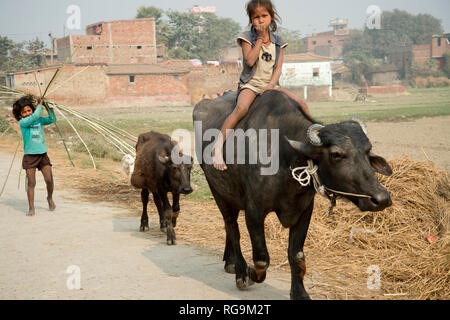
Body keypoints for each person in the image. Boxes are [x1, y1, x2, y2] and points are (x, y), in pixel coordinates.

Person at [212, 0, 312, 170]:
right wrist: (259, 38)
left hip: (271, 84)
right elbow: (250, 61)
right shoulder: (246, 38)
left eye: (264, 16)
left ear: (271, 17)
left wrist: (272, 85)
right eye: (256, 17)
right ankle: (218, 146)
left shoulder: (279, 42)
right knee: (241, 108)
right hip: (251, 84)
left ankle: (311, 142)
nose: (260, 20)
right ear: (251, 20)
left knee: (301, 103)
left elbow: (278, 67)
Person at [12, 95, 56, 216]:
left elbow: (52, 119)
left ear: (32, 109)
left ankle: (50, 198)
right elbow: (36, 115)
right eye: (24, 112)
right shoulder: (23, 122)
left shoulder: (39, 120)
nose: (27, 113)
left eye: (29, 110)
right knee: (31, 182)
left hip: (42, 155)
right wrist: (40, 105)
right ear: (20, 115)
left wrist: (49, 108)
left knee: (49, 179)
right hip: (30, 157)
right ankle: (31, 208)